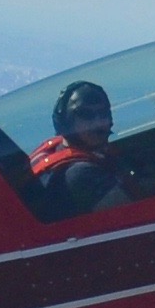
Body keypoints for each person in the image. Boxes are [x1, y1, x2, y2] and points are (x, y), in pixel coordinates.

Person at [26, 79, 123, 216]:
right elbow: (131, 216)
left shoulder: (57, 148)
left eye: (103, 113)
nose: (98, 122)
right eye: (86, 115)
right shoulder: (82, 174)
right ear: (66, 121)